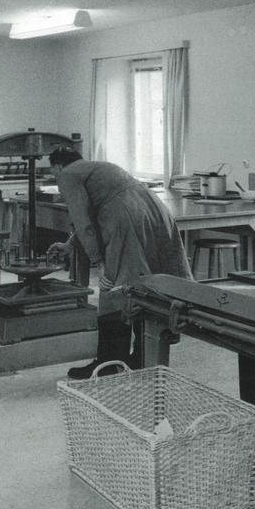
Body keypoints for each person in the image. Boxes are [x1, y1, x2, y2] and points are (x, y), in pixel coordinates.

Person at [46, 148, 192, 379]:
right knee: (153, 284)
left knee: (116, 289)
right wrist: (70, 245)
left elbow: (82, 220)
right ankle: (143, 357)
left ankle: (109, 363)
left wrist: (99, 262)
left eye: (53, 173)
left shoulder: (67, 175)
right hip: (156, 213)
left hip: (126, 219)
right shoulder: (99, 167)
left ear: (59, 166)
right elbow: (94, 214)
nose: (55, 178)